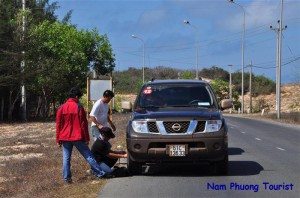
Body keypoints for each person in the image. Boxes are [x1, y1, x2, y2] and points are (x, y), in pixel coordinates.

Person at [56, 87, 105, 183]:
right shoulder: (79, 107)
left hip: (65, 137)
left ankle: (67, 179)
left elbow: (58, 125)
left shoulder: (61, 108)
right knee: (88, 156)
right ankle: (100, 173)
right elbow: (83, 125)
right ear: (76, 96)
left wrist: (58, 139)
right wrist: (86, 138)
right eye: (79, 97)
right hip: (77, 136)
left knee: (66, 158)